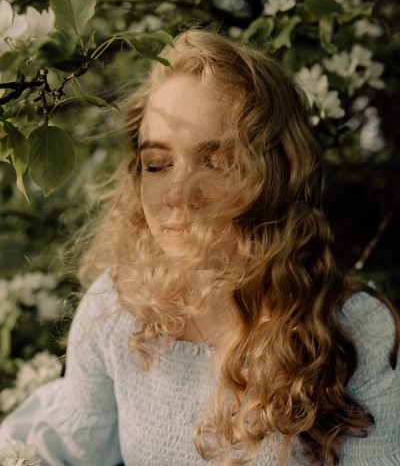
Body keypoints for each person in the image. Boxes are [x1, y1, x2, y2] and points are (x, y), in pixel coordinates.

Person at [0, 29, 399, 466]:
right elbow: (66, 448)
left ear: (278, 174)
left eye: (217, 161)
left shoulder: (355, 332)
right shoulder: (118, 309)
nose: (176, 193)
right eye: (158, 164)